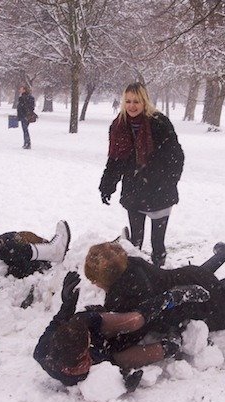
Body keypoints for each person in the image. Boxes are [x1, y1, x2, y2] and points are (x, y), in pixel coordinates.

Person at [33, 271, 211, 389]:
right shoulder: (54, 361)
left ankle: (173, 297)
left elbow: (58, 322)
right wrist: (125, 382)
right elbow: (108, 379)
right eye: (84, 359)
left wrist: (67, 303)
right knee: (162, 350)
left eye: (87, 352)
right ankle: (178, 336)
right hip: (108, 354)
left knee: (134, 321)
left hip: (90, 325)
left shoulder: (44, 347)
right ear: (68, 367)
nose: (88, 361)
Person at [99, 82, 185, 267]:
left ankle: (158, 272)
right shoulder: (119, 126)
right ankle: (136, 274)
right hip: (134, 190)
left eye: (136, 101)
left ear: (144, 101)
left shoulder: (159, 123)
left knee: (157, 243)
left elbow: (176, 156)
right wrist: (107, 185)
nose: (132, 106)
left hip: (159, 190)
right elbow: (115, 160)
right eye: (128, 101)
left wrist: (168, 182)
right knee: (134, 242)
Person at [84, 242, 225, 334]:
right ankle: (223, 253)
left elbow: (126, 325)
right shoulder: (132, 263)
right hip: (191, 275)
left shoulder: (122, 296)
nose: (93, 283)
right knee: (209, 282)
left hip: (197, 302)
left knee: (223, 298)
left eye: (94, 280)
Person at [17, 84, 35, 149]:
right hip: (27, 115)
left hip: (24, 115)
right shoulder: (30, 97)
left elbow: (21, 107)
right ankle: (26, 143)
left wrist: (22, 114)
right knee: (25, 129)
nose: (20, 90)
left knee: (25, 129)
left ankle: (27, 143)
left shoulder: (23, 97)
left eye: (21, 89)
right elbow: (32, 107)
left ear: (24, 90)